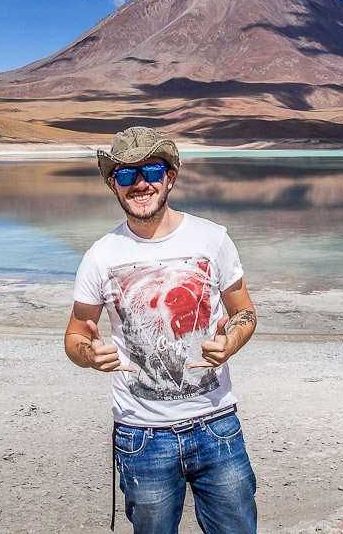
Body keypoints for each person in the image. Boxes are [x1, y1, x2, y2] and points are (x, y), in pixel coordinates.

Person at [64, 126, 258, 534]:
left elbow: (244, 312)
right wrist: (89, 355)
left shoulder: (213, 239)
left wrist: (231, 341)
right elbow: (75, 336)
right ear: (112, 185)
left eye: (150, 171)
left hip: (216, 424)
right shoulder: (100, 257)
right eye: (125, 174)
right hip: (141, 435)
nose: (140, 183)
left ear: (169, 177)